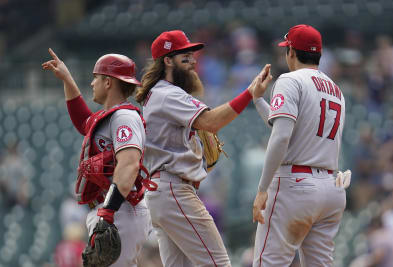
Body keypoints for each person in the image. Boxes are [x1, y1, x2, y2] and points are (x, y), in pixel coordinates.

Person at [135, 30, 272, 267]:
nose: (193, 61)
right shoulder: (167, 93)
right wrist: (249, 93)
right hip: (174, 191)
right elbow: (211, 122)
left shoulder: (158, 94)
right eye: (185, 56)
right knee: (218, 263)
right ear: (167, 60)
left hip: (163, 191)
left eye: (192, 55)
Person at [42, 49, 154, 267]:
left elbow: (129, 165)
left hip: (120, 209)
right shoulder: (114, 116)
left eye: (96, 78)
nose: (92, 83)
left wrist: (108, 211)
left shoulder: (124, 117)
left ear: (109, 82)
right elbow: (84, 121)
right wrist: (67, 78)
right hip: (116, 210)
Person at [251, 24, 347, 266]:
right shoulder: (336, 90)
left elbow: (282, 137)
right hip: (331, 188)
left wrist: (262, 189)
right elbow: (286, 129)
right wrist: (258, 100)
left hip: (296, 186)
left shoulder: (290, 80)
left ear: (291, 52)